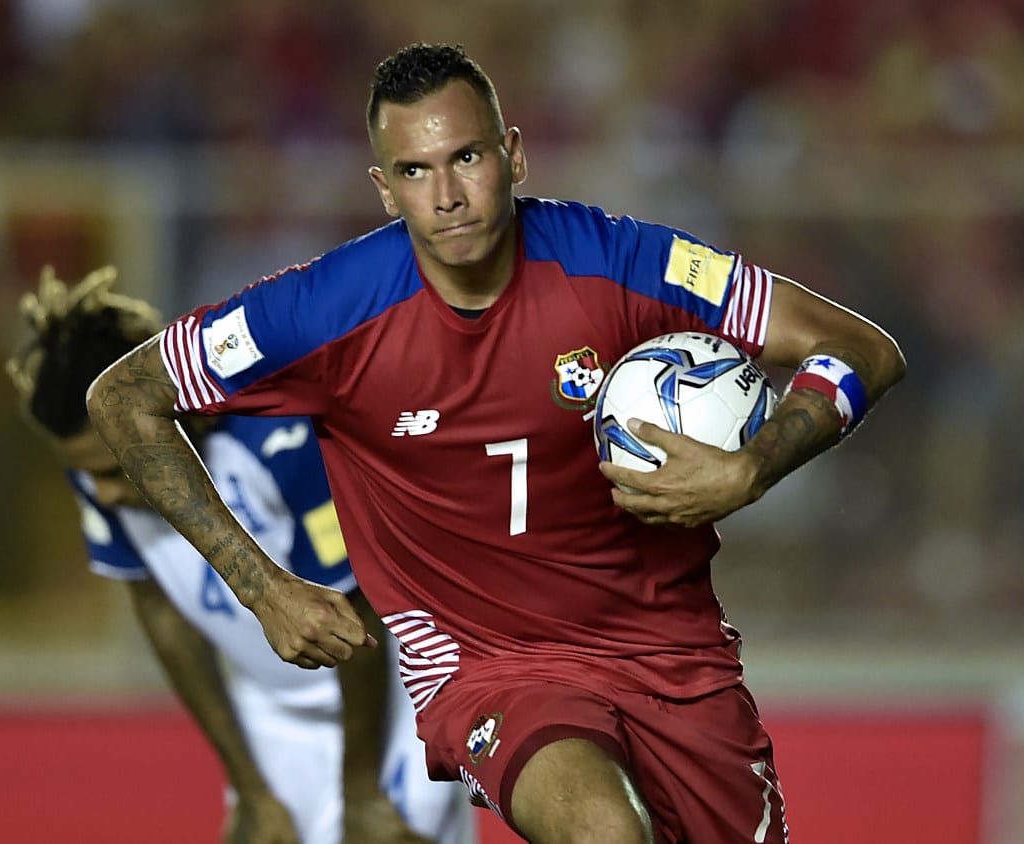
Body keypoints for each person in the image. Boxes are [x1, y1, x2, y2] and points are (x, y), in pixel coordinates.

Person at [86, 43, 907, 844]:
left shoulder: (620, 262)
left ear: (513, 155)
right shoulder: (326, 310)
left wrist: (754, 467)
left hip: (674, 656)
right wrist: (261, 588)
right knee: (603, 829)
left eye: (467, 157)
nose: (447, 196)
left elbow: (863, 348)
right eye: (415, 171)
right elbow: (123, 398)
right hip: (484, 660)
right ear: (384, 190)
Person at [7, 265, 476, 844]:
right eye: (88, 474)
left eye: (110, 471)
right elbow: (162, 614)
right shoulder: (98, 470)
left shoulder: (282, 441)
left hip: (395, 693)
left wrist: (360, 795)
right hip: (274, 711)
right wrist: (249, 787)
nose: (102, 493)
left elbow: (360, 619)